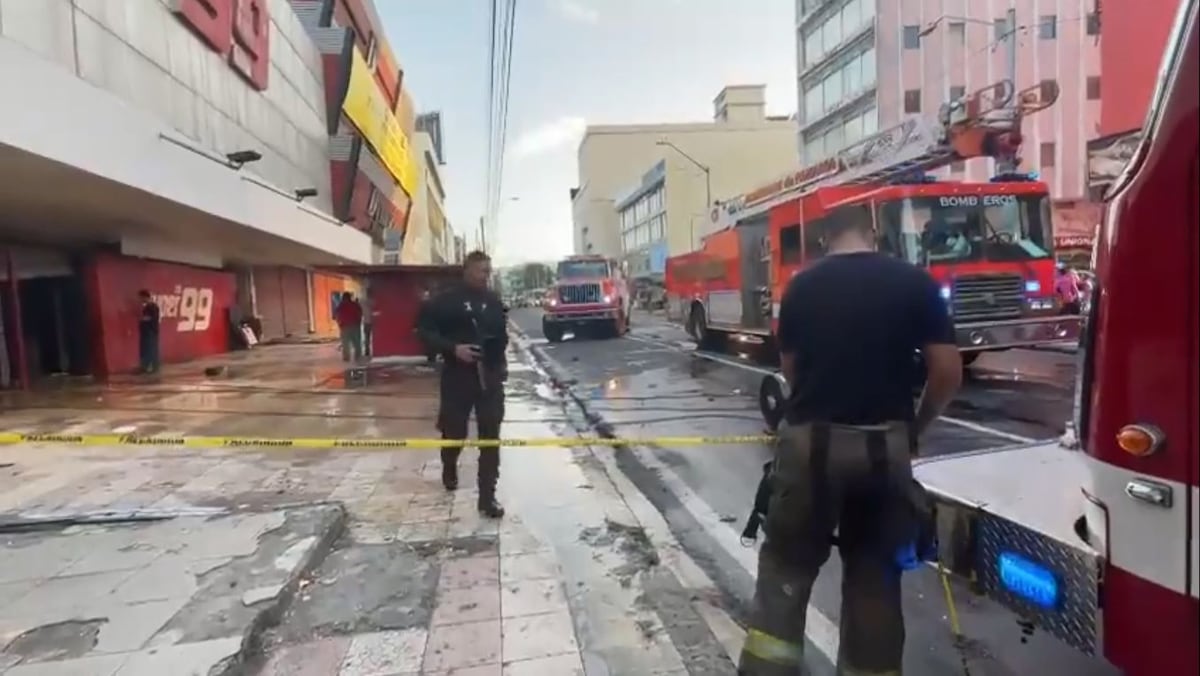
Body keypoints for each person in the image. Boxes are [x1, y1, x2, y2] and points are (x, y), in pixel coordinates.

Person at [738, 205, 962, 675]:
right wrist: (915, 429)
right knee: (875, 578)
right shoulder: (914, 283)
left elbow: (791, 370)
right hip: (885, 449)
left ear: (825, 241)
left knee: (786, 570)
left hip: (811, 446)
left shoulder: (801, 286)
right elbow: (946, 372)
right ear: (874, 233)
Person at [417, 251, 508, 518]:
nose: (485, 276)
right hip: (457, 376)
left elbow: (501, 336)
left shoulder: (492, 301)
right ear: (467, 270)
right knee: (454, 432)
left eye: (488, 271)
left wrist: (500, 365)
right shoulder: (445, 300)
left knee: (490, 439)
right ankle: (449, 464)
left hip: (488, 377)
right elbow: (424, 331)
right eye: (482, 270)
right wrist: (453, 349)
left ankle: (487, 497)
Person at [334, 291, 364, 362]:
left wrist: (339, 324)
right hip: (355, 326)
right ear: (350, 297)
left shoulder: (341, 306)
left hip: (344, 326)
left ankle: (346, 358)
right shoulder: (355, 305)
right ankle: (358, 357)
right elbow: (360, 314)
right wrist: (358, 322)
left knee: (345, 344)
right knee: (357, 343)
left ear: (343, 298)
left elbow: (337, 315)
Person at [137, 290, 161, 373]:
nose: (140, 299)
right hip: (148, 332)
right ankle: (149, 366)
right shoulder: (149, 306)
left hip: (150, 331)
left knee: (150, 349)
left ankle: (150, 367)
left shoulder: (152, 307)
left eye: (141, 297)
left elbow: (152, 318)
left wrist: (142, 319)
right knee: (149, 349)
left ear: (145, 297)